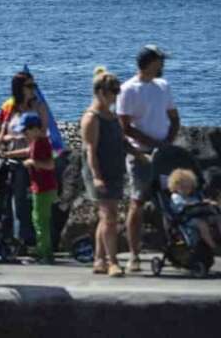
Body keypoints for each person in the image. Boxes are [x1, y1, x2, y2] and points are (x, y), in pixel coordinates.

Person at [117, 44, 180, 272]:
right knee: (138, 201)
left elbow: (174, 117)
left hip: (163, 155)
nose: (163, 65)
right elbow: (125, 126)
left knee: (170, 201)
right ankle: (134, 254)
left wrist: (168, 143)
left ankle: (176, 250)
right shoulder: (128, 89)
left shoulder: (163, 86)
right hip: (140, 155)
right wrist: (152, 145)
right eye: (160, 61)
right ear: (151, 62)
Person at [0, 72, 50, 249]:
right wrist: (4, 139)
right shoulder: (8, 107)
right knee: (12, 202)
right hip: (11, 159)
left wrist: (26, 133)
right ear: (19, 88)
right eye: (30, 86)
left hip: (31, 157)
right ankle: (13, 239)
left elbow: (44, 132)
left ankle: (30, 240)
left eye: (34, 86)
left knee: (29, 203)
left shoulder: (39, 107)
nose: (34, 90)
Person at [80, 67, 127, 277]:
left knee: (107, 216)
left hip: (115, 169)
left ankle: (99, 260)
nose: (116, 96)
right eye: (113, 92)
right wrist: (97, 176)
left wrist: (141, 155)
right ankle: (112, 261)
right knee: (110, 217)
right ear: (101, 92)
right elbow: (90, 150)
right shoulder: (92, 118)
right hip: (99, 171)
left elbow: (121, 141)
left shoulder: (112, 116)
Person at [1, 114, 57, 263]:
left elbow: (50, 164)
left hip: (44, 188)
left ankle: (45, 253)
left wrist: (33, 163)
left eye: (26, 131)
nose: (24, 134)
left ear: (36, 129)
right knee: (37, 218)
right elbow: (27, 151)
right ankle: (41, 250)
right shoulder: (34, 142)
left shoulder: (42, 142)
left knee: (41, 222)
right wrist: (7, 154)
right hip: (37, 187)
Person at [168, 169, 221, 251]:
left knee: (218, 218)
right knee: (202, 224)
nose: (186, 189)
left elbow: (201, 203)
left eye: (188, 187)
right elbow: (181, 206)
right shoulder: (176, 196)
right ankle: (213, 246)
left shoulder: (194, 196)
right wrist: (195, 204)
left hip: (199, 215)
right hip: (185, 218)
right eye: (183, 187)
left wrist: (208, 203)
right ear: (175, 186)